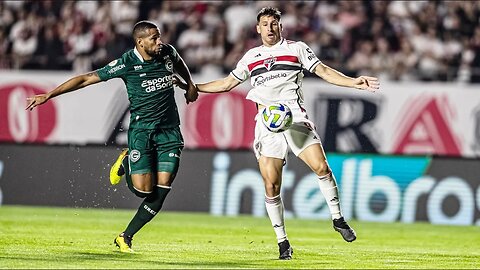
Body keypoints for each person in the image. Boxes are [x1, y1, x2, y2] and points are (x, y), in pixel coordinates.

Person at [175, 7, 379, 260]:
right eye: (265, 24)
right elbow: (227, 83)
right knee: (271, 185)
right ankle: (283, 243)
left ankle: (338, 219)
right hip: (267, 124)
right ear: (257, 28)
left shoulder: (297, 49)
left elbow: (324, 71)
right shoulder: (251, 56)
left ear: (281, 26)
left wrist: (353, 81)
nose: (270, 28)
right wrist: (194, 87)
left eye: (274, 23)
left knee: (322, 168)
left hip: (295, 117)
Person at [26, 20, 198, 253]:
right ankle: (126, 161)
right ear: (140, 42)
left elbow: (179, 63)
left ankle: (125, 236)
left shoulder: (167, 52)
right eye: (154, 38)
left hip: (169, 131)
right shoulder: (126, 63)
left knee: (162, 188)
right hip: (141, 132)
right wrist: (49, 94)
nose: (160, 42)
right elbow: (87, 78)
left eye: (159, 37)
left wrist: (190, 85)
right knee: (143, 190)